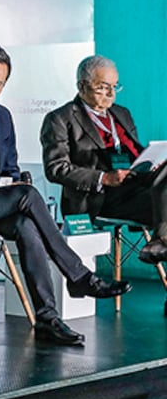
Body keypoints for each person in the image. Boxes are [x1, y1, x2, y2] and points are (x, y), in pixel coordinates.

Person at [0, 45, 129, 346]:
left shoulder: (3, 116)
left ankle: (47, 318)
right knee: (27, 195)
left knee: (26, 225)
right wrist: (4, 183)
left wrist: (9, 181)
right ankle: (79, 276)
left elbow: (10, 167)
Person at [41, 54, 167, 265]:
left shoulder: (121, 113)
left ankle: (161, 240)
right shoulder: (60, 119)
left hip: (135, 184)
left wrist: (154, 162)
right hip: (99, 198)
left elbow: (135, 152)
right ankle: (161, 238)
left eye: (114, 87)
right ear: (82, 85)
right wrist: (103, 178)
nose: (110, 93)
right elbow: (55, 168)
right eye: (103, 87)